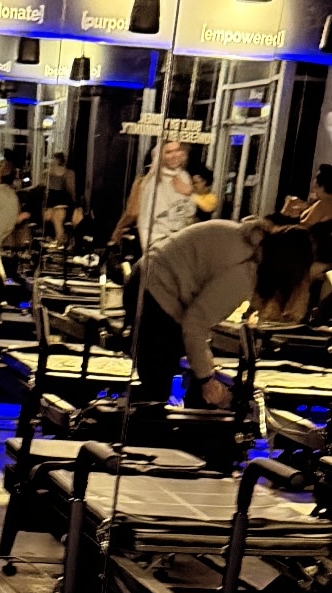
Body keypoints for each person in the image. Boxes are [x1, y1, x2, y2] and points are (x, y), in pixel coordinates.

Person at [128, 217, 313, 407]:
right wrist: (207, 382)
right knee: (159, 385)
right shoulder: (244, 272)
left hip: (147, 279)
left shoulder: (246, 240)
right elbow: (195, 323)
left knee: (167, 377)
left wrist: (204, 369)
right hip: (154, 291)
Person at [137, 137, 196, 256]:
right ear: (160, 155)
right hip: (160, 245)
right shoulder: (153, 181)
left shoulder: (184, 176)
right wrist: (148, 252)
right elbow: (144, 221)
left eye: (177, 150)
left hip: (182, 243)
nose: (174, 155)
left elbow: (188, 211)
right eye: (168, 152)